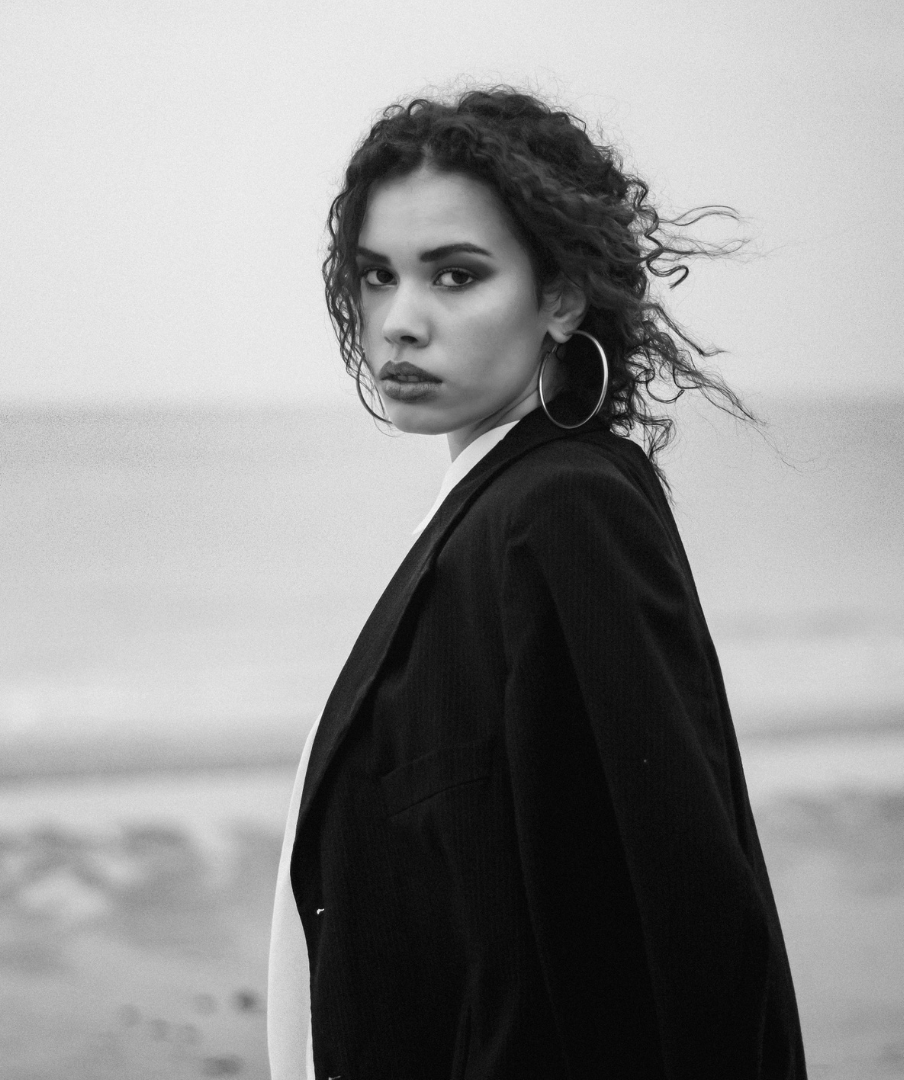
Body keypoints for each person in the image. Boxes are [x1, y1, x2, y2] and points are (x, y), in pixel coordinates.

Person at [268, 87, 807, 1079]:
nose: (400, 323)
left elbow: (680, 916)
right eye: (377, 276)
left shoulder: (564, 510)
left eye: (456, 275)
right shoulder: (491, 510)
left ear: (560, 296)